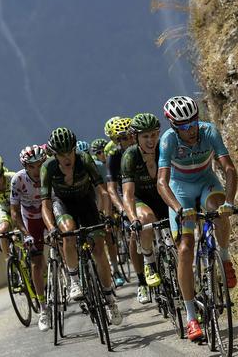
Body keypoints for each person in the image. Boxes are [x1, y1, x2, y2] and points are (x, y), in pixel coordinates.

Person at [156, 96, 238, 341]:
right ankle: (192, 317)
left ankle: (224, 258)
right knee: (184, 248)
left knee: (217, 209)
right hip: (179, 189)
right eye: (182, 126)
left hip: (206, 182)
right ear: (173, 126)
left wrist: (230, 203)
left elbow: (229, 169)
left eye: (193, 123)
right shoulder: (168, 140)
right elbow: (161, 182)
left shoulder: (209, 131)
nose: (190, 130)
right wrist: (178, 209)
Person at [41, 127, 123, 325]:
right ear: (54, 154)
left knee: (99, 251)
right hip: (63, 203)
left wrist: (106, 215)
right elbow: (45, 204)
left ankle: (109, 299)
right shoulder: (48, 167)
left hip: (86, 201)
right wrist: (52, 226)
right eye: (62, 154)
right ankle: (75, 281)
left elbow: (102, 192)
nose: (67, 157)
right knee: (68, 232)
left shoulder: (84, 159)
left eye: (70, 151)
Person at [107, 117, 151, 304]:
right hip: (127, 198)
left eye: (130, 136)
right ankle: (141, 281)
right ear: (117, 141)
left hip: (146, 192)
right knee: (134, 234)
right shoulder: (115, 158)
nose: (129, 141)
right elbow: (111, 189)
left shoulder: (143, 150)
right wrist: (122, 209)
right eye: (123, 139)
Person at [121, 113, 167, 291]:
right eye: (145, 136)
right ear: (136, 137)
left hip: (163, 196)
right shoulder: (129, 156)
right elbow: (128, 194)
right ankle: (149, 262)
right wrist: (134, 219)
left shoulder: (164, 148)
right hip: (141, 199)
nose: (151, 140)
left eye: (154, 135)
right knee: (146, 218)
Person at [10, 145, 49, 331]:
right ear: (25, 166)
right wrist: (25, 235)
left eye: (40, 163)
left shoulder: (49, 171)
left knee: (66, 241)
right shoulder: (18, 180)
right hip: (31, 221)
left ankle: (74, 280)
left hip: (49, 214)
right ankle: (43, 309)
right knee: (35, 261)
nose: (37, 169)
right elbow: (14, 212)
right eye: (32, 166)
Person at [87, 137, 125, 287]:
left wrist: (107, 215)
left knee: (108, 236)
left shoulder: (98, 167)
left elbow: (107, 192)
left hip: (101, 203)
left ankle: (115, 270)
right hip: (85, 205)